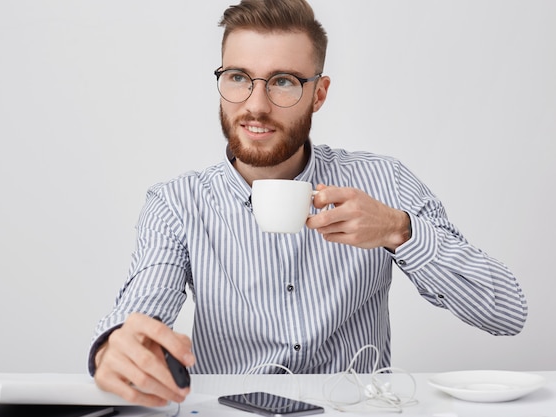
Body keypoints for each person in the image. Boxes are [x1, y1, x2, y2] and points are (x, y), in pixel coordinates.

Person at [88, 0, 527, 406]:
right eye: (238, 77)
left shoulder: (384, 182)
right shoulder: (177, 203)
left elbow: (506, 312)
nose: (255, 106)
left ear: (319, 93)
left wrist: (399, 230)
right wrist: (116, 346)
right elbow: (141, 306)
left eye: (283, 82)